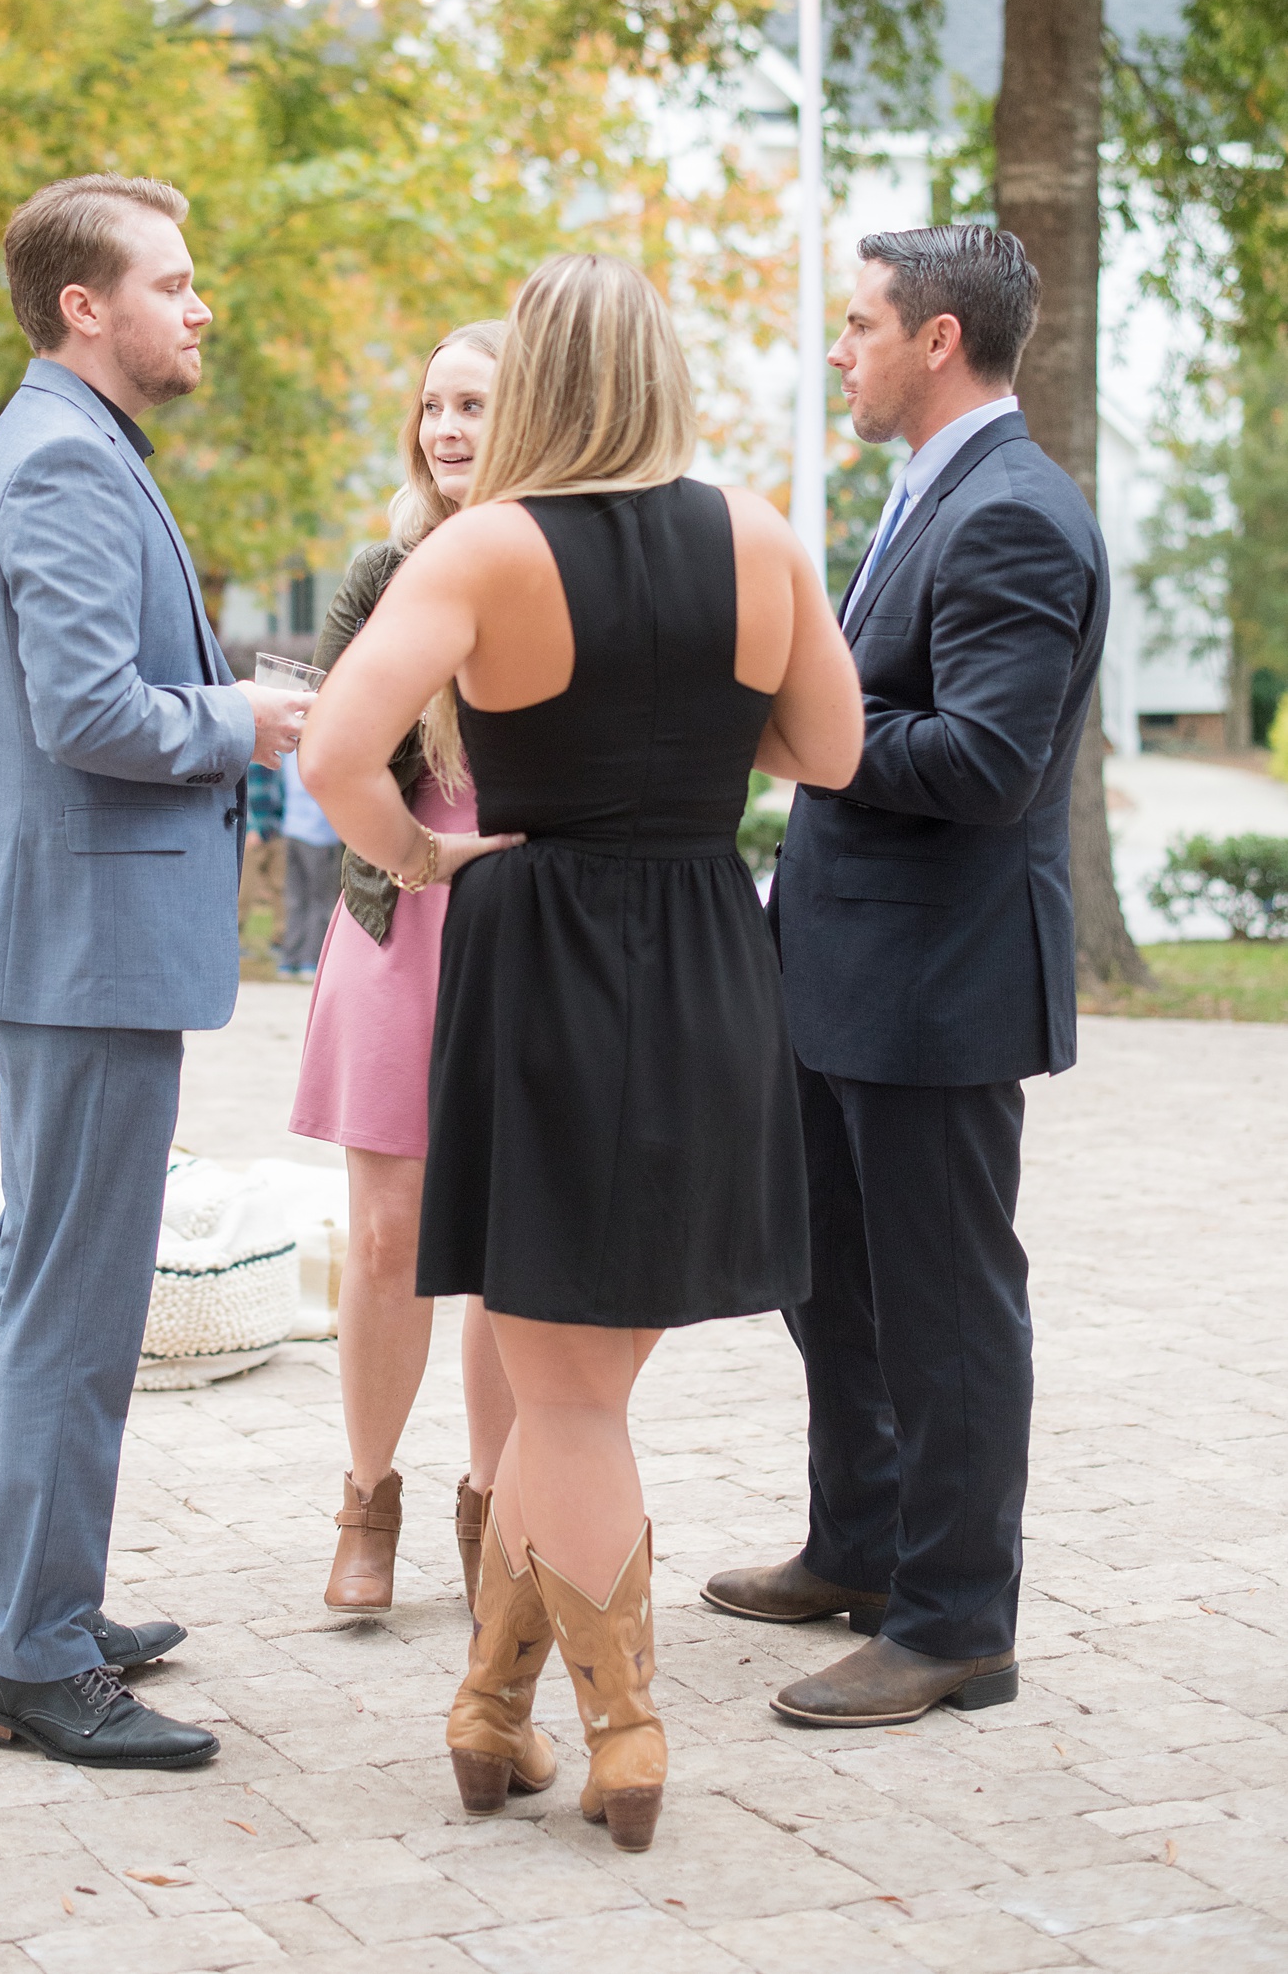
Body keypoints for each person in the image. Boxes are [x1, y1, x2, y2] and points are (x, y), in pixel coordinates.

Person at [302, 256, 862, 1851]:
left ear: (539, 379)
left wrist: (418, 858)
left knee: (567, 1400)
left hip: (538, 941)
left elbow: (341, 746)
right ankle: (489, 1704)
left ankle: (624, 1729)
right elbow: (830, 747)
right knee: (588, 1386)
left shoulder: (486, 548)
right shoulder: (762, 537)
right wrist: (695, 730)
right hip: (702, 945)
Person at [704, 225, 1110, 1730]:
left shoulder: (1015, 513)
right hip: (841, 966)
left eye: (860, 323)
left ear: (938, 339)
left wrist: (792, 725)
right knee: (835, 1282)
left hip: (937, 987)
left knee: (946, 1303)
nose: (839, 348)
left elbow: (993, 764)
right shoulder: (932, 491)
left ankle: (954, 1623)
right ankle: (862, 1543)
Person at [0, 173, 308, 1769]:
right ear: (85, 306)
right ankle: (31, 1655)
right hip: (88, 948)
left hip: (74, 940)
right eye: (171, 280)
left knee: (38, 1283)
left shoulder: (60, 446)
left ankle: (13, 1603)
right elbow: (95, 714)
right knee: (78, 1303)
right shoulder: (65, 470)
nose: (200, 302)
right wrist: (253, 717)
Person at [289, 324, 516, 1613]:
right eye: (431, 404)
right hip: (398, 916)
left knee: (502, 1246)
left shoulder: (556, 563)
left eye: (471, 404)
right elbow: (332, 736)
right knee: (385, 1235)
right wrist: (417, 845)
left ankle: (491, 1506)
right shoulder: (385, 569)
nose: (442, 428)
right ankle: (366, 1497)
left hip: (518, 930)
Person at [278, 746, 341, 980]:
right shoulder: (322, 749)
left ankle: (289, 959)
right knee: (321, 901)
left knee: (295, 899)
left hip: (292, 828)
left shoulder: (290, 751)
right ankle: (310, 961)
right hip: (319, 834)